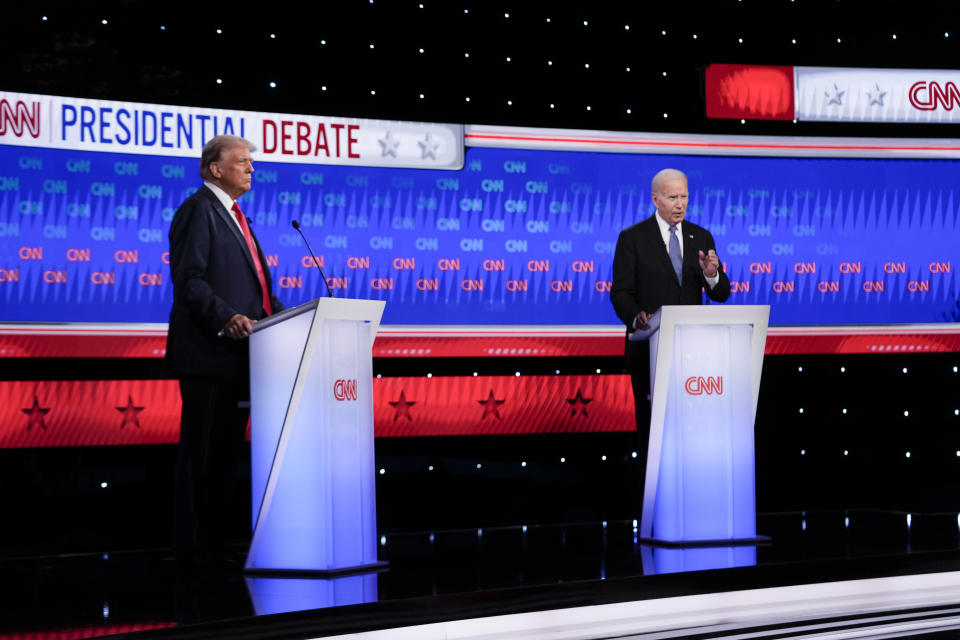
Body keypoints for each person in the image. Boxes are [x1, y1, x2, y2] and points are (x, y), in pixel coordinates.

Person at [166, 134, 284, 569]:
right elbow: (190, 279)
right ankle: (194, 550)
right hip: (209, 355)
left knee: (226, 457)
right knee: (203, 454)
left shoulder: (238, 217)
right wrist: (226, 317)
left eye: (251, 162)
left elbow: (259, 292)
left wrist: (294, 316)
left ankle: (215, 544)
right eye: (242, 162)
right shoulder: (199, 211)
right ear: (215, 169)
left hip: (241, 357)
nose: (251, 169)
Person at [609, 168, 730, 506]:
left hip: (694, 359)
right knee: (654, 434)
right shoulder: (632, 238)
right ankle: (655, 505)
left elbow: (721, 293)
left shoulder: (700, 237)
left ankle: (692, 502)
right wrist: (637, 317)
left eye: (685, 197)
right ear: (656, 199)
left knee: (691, 433)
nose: (680, 204)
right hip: (650, 351)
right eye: (673, 197)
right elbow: (620, 293)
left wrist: (711, 275)